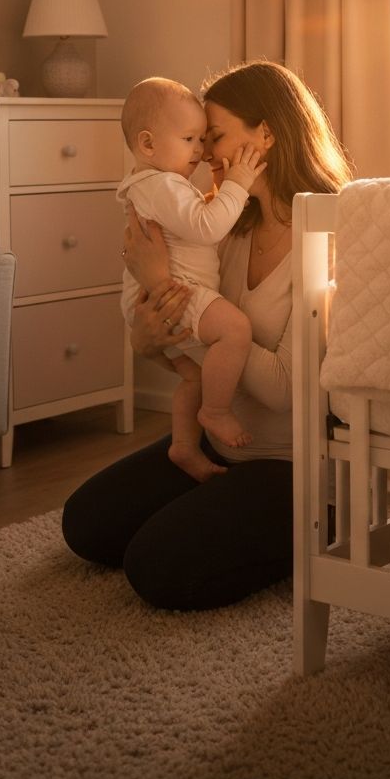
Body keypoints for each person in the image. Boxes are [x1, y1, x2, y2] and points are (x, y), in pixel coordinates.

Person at [62, 60, 353, 610]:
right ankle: (223, 506)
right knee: (87, 525)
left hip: (291, 462)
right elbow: (186, 352)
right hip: (223, 446)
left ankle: (318, 528)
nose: (204, 154)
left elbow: (288, 391)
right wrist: (147, 337)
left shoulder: (333, 234)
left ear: (266, 133)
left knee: (156, 567)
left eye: (214, 136)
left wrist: (187, 308)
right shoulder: (224, 226)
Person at [117, 77, 267, 482]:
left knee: (194, 375)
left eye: (206, 139)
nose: (201, 153)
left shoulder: (155, 185)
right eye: (191, 139)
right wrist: (236, 184)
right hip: (177, 290)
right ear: (148, 145)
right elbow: (206, 229)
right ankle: (215, 412)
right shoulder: (163, 184)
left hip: (155, 294)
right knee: (234, 330)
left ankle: (184, 445)